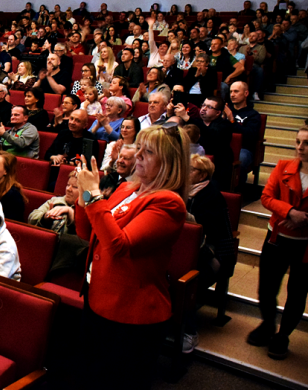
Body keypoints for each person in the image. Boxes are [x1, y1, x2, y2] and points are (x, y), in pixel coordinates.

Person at [75, 123, 189, 389]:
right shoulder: (127, 189)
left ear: (169, 162)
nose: (137, 155)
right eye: (139, 148)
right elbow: (85, 232)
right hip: (97, 298)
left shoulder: (169, 203)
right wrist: (83, 196)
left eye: (147, 152)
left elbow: (118, 246)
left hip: (131, 313)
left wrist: (92, 195)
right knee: (91, 376)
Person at [248, 126, 308, 360]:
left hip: (305, 245)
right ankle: (268, 324)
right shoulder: (284, 166)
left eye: (306, 143)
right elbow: (266, 197)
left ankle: (283, 335)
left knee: (297, 292)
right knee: (267, 287)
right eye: (297, 142)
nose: (300, 148)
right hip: (277, 238)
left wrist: (304, 220)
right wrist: (290, 212)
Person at [183, 154, 235, 352]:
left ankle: (189, 331)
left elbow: (205, 228)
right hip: (191, 247)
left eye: (190, 169)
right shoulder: (186, 191)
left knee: (185, 279)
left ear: (202, 174)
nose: (185, 172)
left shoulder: (211, 195)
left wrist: (180, 211)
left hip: (213, 253)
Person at [223, 81, 261, 180]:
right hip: (224, 144)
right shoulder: (225, 110)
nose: (232, 95)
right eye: (231, 92)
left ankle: (238, 191)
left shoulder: (253, 115)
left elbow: (249, 136)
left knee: (241, 158)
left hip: (244, 148)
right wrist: (221, 118)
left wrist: (231, 120)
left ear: (246, 93)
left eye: (236, 91)